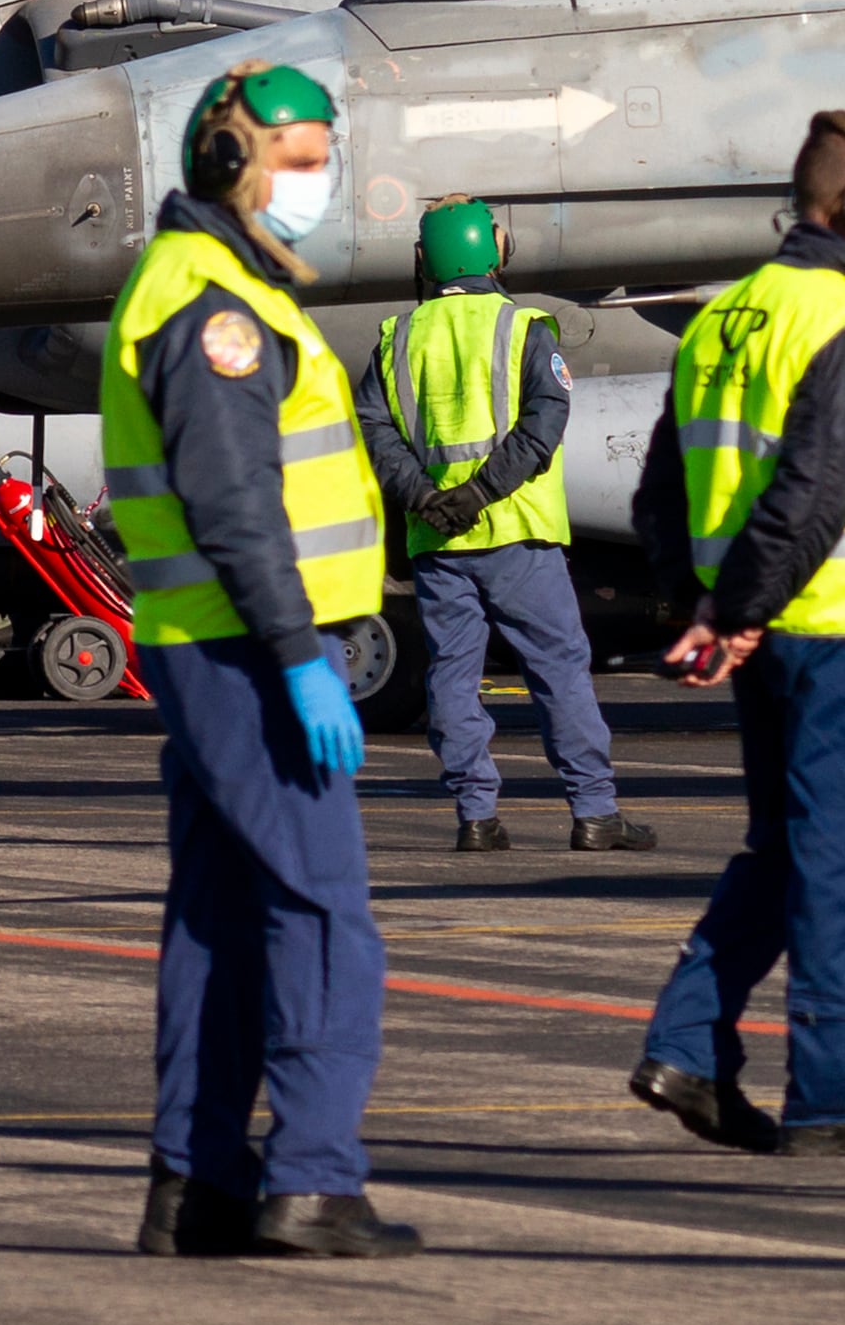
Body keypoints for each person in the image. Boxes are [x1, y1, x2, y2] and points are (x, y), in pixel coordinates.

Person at [109, 61, 411, 1259]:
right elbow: (232, 500)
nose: (316, 180)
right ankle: (313, 1178)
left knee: (217, 914)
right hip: (244, 648)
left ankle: (196, 1185)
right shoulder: (214, 310)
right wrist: (297, 654)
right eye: (296, 158)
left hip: (209, 641)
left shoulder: (205, 283)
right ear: (232, 165)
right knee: (319, 908)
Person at [627, 112, 845, 1155]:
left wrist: (699, 607)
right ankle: (828, 1098)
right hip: (826, 625)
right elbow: (811, 493)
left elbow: (661, 484)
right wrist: (742, 606)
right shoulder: (837, 317)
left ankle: (686, 1048)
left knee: (781, 851)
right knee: (829, 865)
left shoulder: (724, 316)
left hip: (758, 630)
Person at [357, 196, 640, 857]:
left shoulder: (397, 338)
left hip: (438, 542)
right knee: (559, 672)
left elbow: (375, 428)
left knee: (453, 674)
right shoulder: (523, 328)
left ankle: (476, 816)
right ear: (495, 251)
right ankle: (595, 812)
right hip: (517, 534)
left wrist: (427, 497)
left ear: (424, 258)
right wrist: (482, 490)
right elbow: (544, 423)